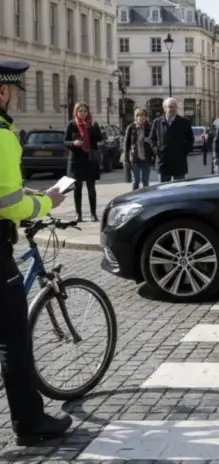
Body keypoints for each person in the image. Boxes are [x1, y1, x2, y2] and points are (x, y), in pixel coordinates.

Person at [0, 61, 72, 445]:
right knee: (13, 338)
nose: (15, 102)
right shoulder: (2, 136)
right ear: (2, 92)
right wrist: (47, 203)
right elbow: (8, 205)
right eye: (15, 94)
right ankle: (29, 423)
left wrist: (26, 194)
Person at [64, 101, 103, 222]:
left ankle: (93, 213)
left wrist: (95, 129)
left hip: (90, 159)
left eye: (85, 111)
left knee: (91, 188)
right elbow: (65, 142)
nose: (83, 113)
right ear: (76, 112)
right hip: (77, 159)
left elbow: (99, 139)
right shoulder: (72, 125)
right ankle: (78, 214)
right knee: (78, 188)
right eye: (80, 111)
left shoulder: (91, 124)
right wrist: (74, 143)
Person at [149, 97, 194, 182]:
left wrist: (185, 151)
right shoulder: (157, 122)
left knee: (179, 189)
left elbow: (190, 139)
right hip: (163, 161)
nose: (172, 109)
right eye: (170, 106)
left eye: (174, 107)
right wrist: (157, 151)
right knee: (163, 190)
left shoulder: (184, 122)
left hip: (179, 161)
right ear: (164, 108)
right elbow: (152, 139)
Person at [122, 107, 155, 190]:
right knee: (135, 181)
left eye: (143, 115)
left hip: (146, 158)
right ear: (136, 117)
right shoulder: (131, 127)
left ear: (146, 117)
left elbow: (154, 142)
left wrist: (149, 141)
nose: (141, 117)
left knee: (145, 181)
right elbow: (126, 144)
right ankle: (134, 199)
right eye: (139, 116)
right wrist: (126, 159)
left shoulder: (150, 127)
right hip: (134, 159)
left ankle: (146, 199)